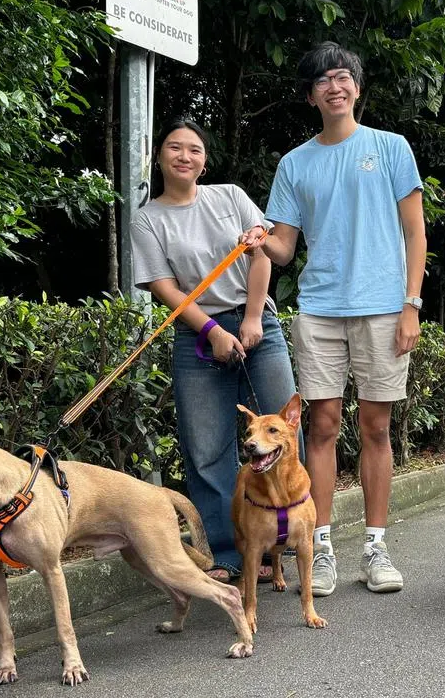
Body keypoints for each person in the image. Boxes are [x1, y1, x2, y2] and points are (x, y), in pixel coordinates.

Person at [244, 42, 426, 596]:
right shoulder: (294, 164)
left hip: (382, 306)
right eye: (322, 80)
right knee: (319, 428)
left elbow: (416, 233)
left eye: (343, 77)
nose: (334, 86)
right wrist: (259, 240)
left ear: (357, 88)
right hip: (319, 309)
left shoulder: (391, 148)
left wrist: (411, 304)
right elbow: (284, 247)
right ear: (310, 95)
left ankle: (375, 547)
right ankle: (318, 550)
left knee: (376, 428)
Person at [131, 117, 299, 581]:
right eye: (175, 147)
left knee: (284, 434)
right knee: (205, 449)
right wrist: (211, 331)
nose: (185, 156)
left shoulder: (229, 196)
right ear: (159, 155)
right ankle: (228, 551)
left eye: (195, 150)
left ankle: (283, 544)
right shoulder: (148, 219)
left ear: (204, 161)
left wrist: (250, 318)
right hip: (196, 333)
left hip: (256, 324)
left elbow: (261, 250)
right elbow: (165, 288)